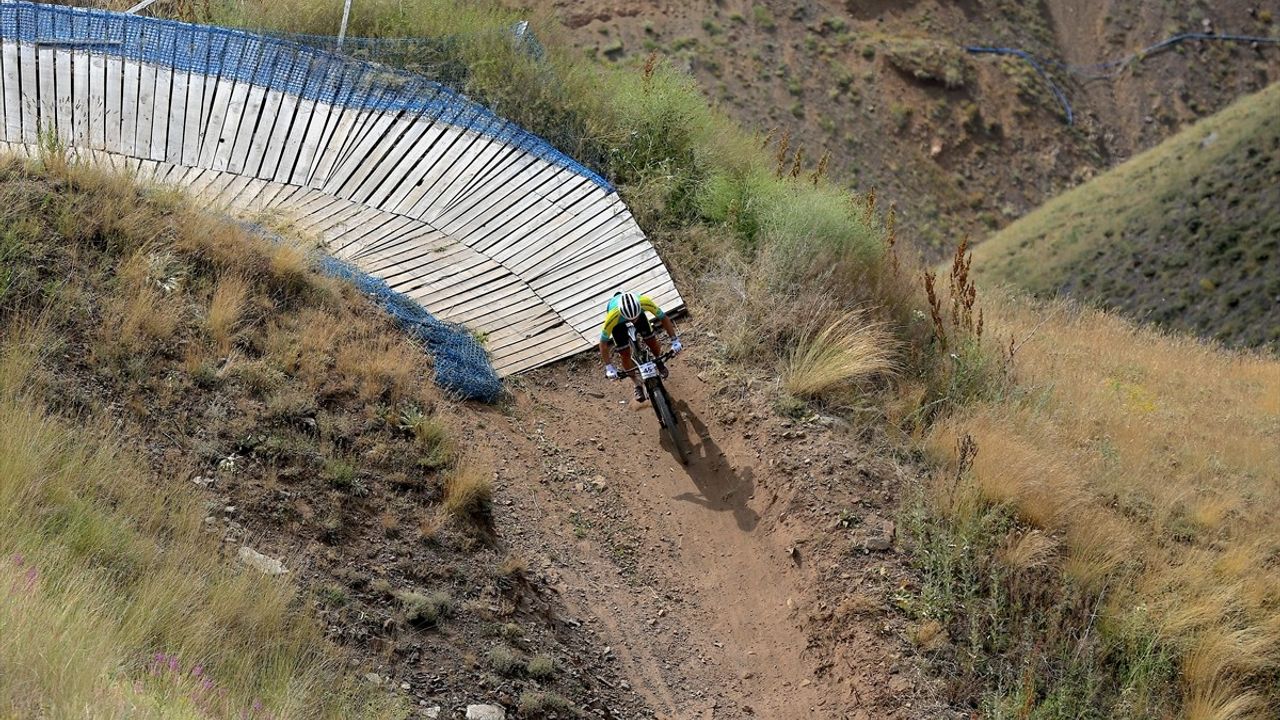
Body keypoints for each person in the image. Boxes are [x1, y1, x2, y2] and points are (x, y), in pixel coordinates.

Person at [599, 291, 682, 402]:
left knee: (651, 340)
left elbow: (664, 318)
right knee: (624, 354)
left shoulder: (644, 302)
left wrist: (675, 340)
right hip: (619, 322)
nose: (633, 320)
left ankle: (658, 361)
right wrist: (609, 367)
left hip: (639, 315)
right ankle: (636, 383)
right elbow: (603, 343)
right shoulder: (612, 316)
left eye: (634, 317)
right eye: (630, 318)